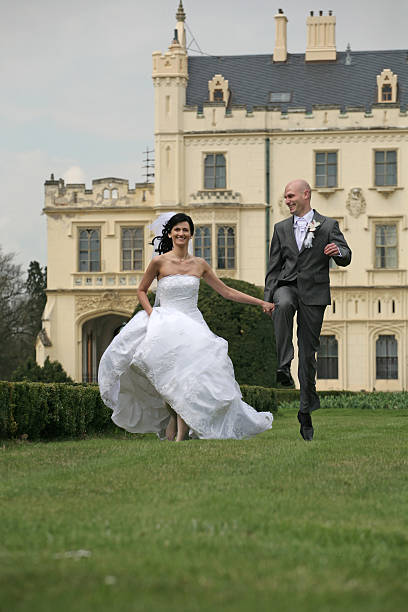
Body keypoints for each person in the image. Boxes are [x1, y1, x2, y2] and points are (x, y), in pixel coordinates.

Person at [98, 212, 274, 442]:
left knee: (190, 379)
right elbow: (141, 290)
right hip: (165, 325)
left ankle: (182, 433)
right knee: (172, 380)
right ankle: (177, 429)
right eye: (177, 230)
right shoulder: (159, 262)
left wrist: (260, 301)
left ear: (191, 234)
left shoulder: (199, 264)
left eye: (185, 230)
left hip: (192, 326)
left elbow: (227, 291)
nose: (181, 234)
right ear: (170, 233)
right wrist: (152, 315)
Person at [264, 180, 351, 441]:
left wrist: (338, 251)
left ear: (306, 194)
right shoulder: (280, 229)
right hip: (287, 286)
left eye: (290, 196)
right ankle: (283, 365)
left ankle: (305, 410)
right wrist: (268, 297)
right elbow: (273, 267)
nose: (287, 200)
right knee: (284, 303)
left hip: (314, 293)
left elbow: (346, 255)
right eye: (285, 197)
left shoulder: (328, 225)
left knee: (309, 355)